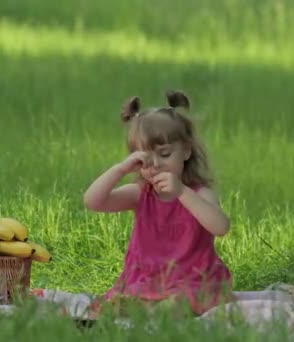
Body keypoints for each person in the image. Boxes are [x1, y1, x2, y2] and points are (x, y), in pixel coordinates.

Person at [83, 90, 233, 317]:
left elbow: (221, 227)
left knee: (184, 300)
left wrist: (182, 192)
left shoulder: (199, 193)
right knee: (127, 297)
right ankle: (139, 308)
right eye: (145, 159)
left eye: (165, 154)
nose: (156, 165)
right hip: (148, 279)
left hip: (193, 279)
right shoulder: (141, 194)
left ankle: (159, 311)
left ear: (186, 150)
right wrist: (120, 169)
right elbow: (93, 202)